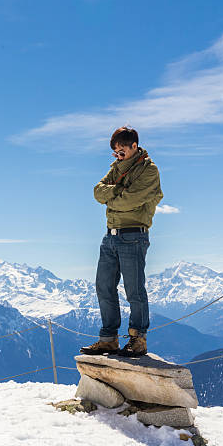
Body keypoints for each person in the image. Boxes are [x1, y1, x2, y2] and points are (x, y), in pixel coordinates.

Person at [80, 126, 163, 357]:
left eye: (122, 150)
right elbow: (98, 192)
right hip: (110, 236)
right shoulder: (116, 169)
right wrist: (118, 191)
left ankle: (138, 340)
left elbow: (130, 201)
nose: (118, 154)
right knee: (104, 286)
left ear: (134, 146)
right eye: (115, 151)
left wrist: (113, 198)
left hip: (133, 236)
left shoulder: (149, 171)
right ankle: (108, 340)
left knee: (134, 290)